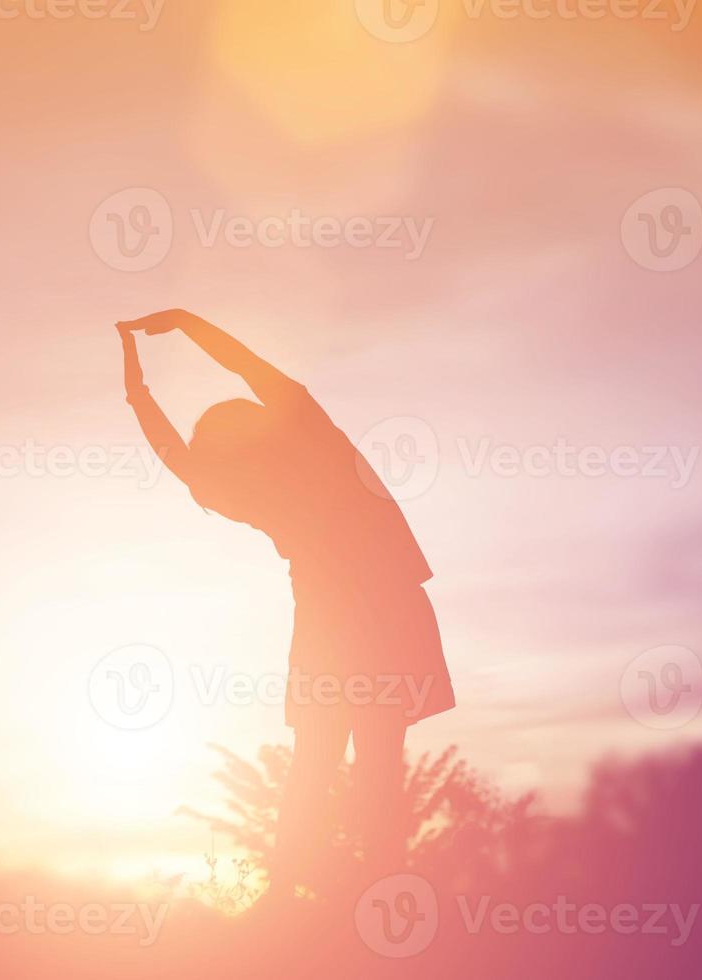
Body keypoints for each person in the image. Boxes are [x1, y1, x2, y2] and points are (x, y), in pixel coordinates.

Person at [116, 309, 455, 904]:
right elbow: (254, 372)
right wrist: (188, 326)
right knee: (377, 764)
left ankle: (285, 899)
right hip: (384, 612)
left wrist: (135, 382)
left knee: (315, 764)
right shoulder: (318, 444)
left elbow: (170, 447)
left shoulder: (244, 491)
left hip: (329, 620)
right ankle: (380, 895)